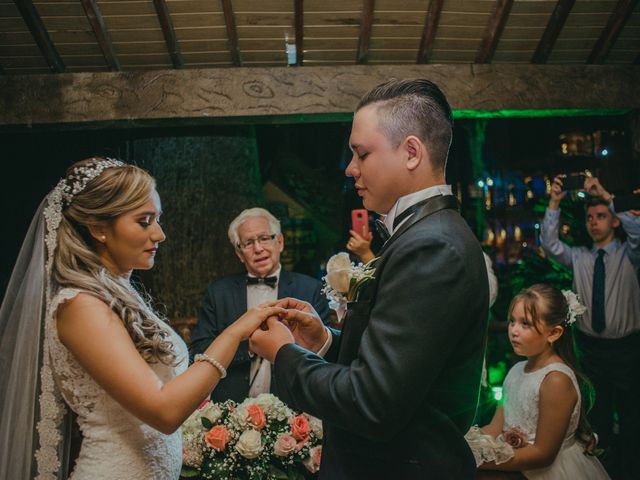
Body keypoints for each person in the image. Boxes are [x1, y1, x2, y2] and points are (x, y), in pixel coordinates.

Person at [250, 79, 490, 479]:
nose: (350, 168)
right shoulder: (423, 234)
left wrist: (285, 354)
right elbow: (406, 366)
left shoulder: (433, 246)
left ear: (411, 152)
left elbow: (371, 402)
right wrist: (324, 342)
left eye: (361, 153)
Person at [0, 158, 281, 480]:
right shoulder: (80, 306)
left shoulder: (119, 294)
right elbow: (163, 412)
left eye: (157, 219)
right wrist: (235, 333)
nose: (160, 234)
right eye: (145, 221)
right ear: (98, 229)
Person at [541, 176, 640, 478]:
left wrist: (606, 195)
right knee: (596, 417)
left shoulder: (631, 254)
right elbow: (549, 243)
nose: (594, 222)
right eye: (589, 218)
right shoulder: (579, 257)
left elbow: (637, 230)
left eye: (601, 217)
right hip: (590, 350)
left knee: (632, 418)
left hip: (627, 350)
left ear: (614, 222)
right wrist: (555, 202)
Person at [189, 207, 330, 403]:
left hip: (293, 406)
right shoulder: (219, 292)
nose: (258, 248)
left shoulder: (311, 289)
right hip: (230, 409)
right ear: (239, 253)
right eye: (248, 243)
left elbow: (322, 352)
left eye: (264, 238)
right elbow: (199, 350)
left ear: (279, 242)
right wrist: (251, 346)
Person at [473, 284, 609, 479]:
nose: (514, 331)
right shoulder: (516, 370)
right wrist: (468, 445)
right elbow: (496, 427)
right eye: (512, 321)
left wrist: (481, 461)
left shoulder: (556, 380)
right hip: (517, 466)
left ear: (553, 333)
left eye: (525, 324)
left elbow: (543, 455)